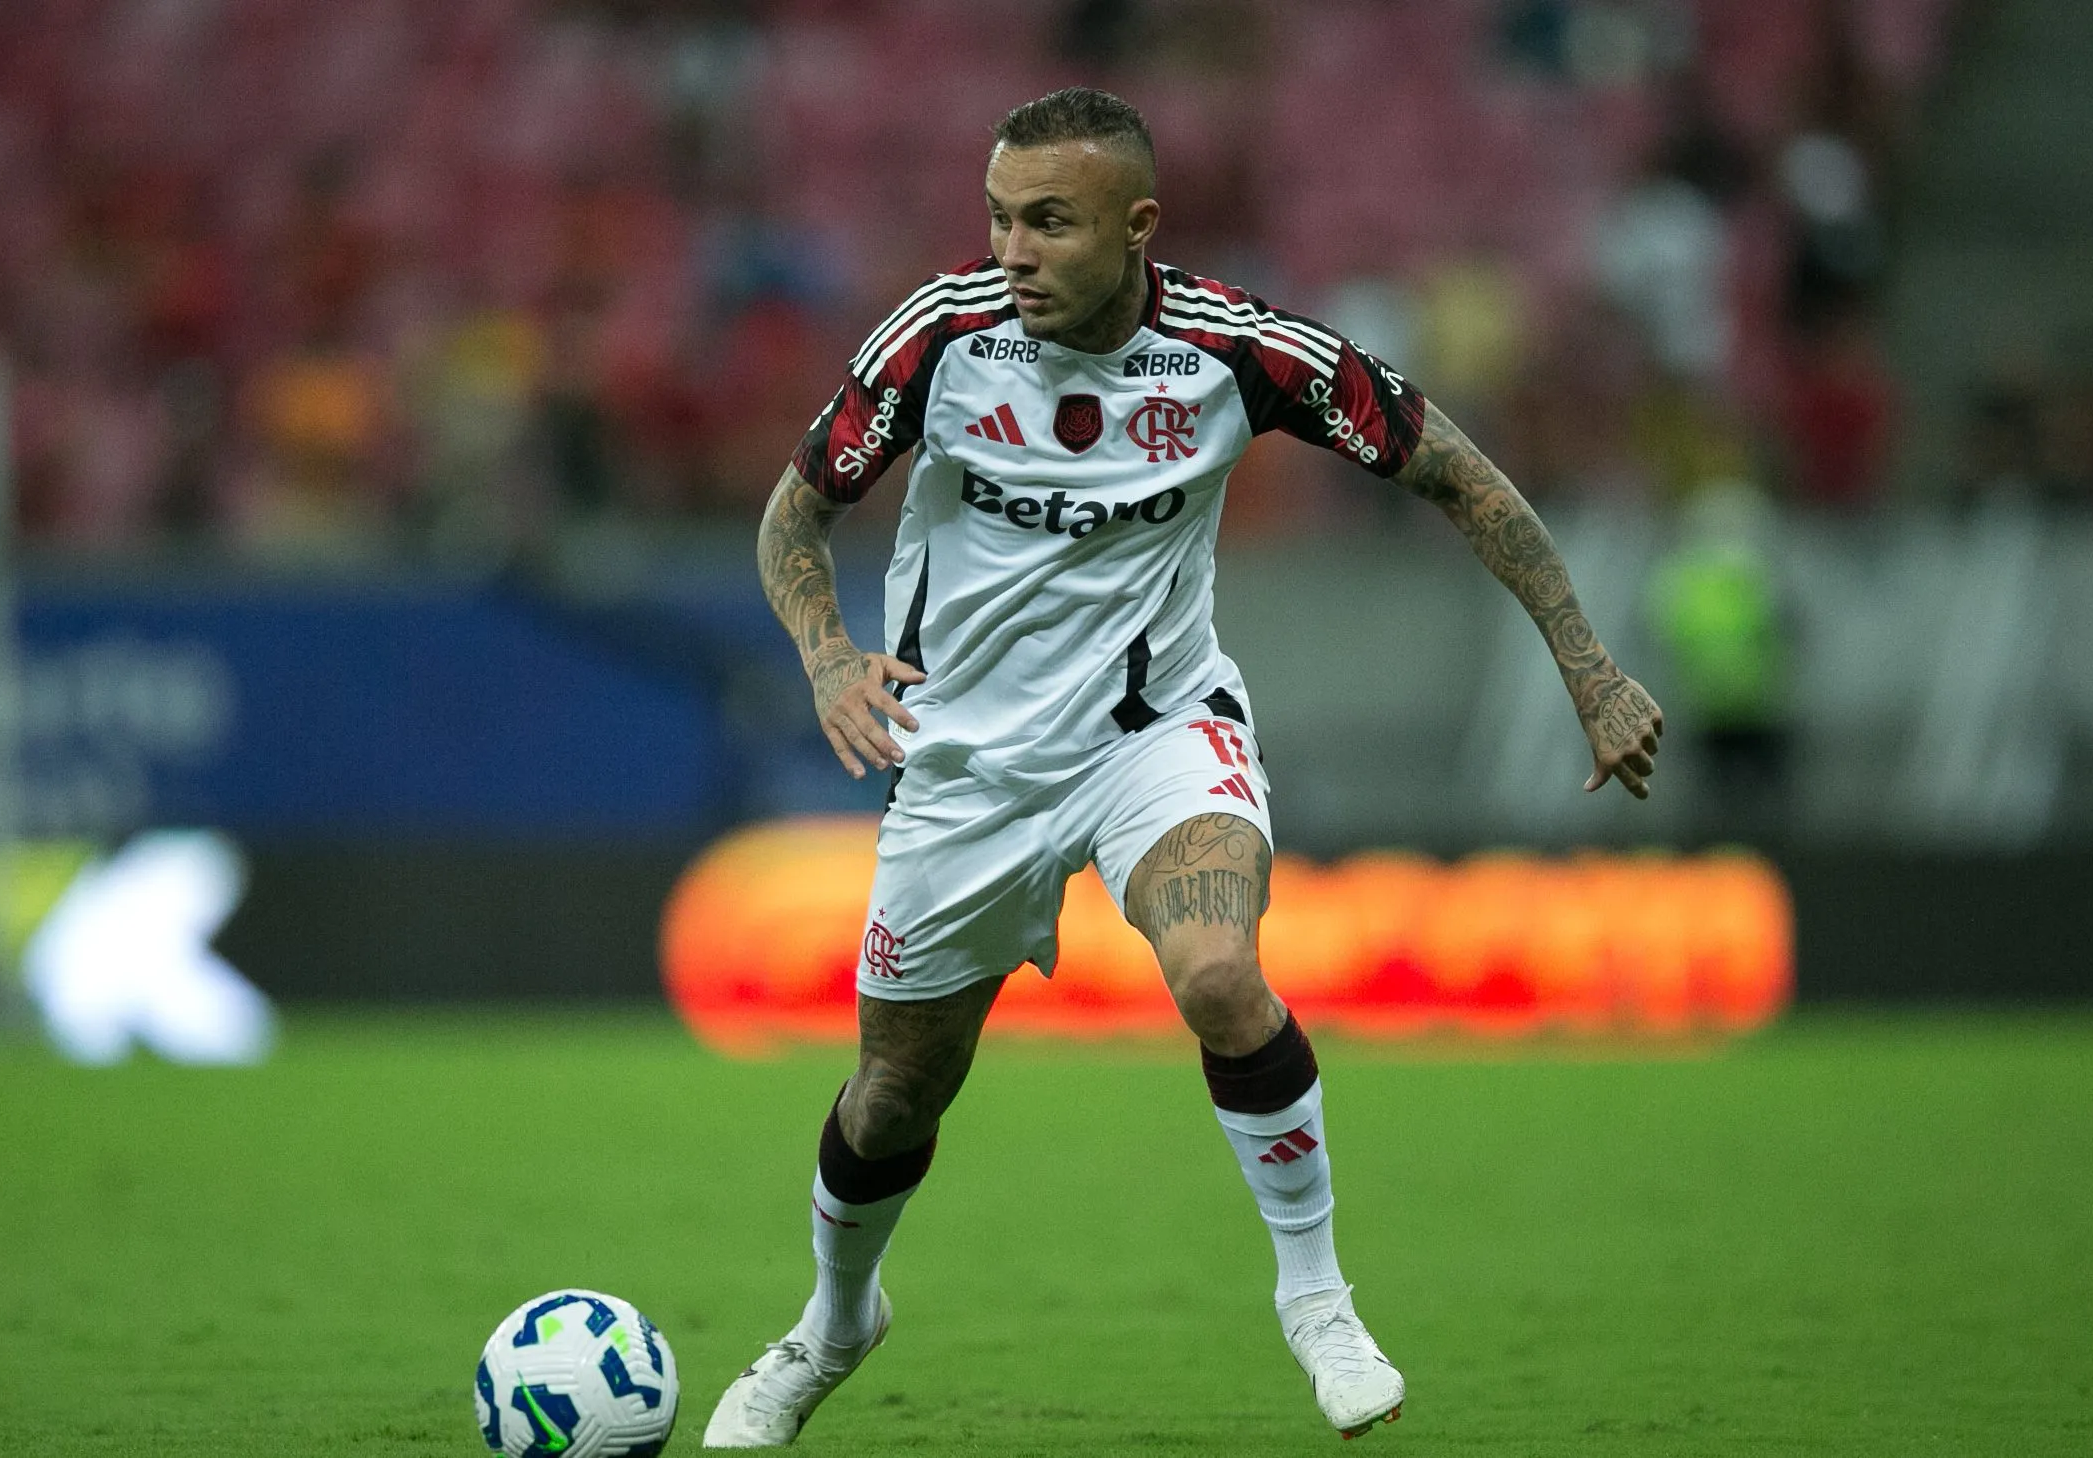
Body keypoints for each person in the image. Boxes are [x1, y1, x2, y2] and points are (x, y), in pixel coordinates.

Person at [709, 88, 1664, 1447]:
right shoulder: (939, 341)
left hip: (1156, 736)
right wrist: (824, 655)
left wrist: (1588, 663)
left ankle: (1318, 1296)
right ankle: (834, 1320)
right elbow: (794, 514)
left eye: (1049, 221)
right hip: (965, 765)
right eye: (999, 218)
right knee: (892, 1092)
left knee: (1219, 972)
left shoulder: (1238, 353)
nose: (1013, 250)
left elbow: (1456, 472)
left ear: (1137, 226)